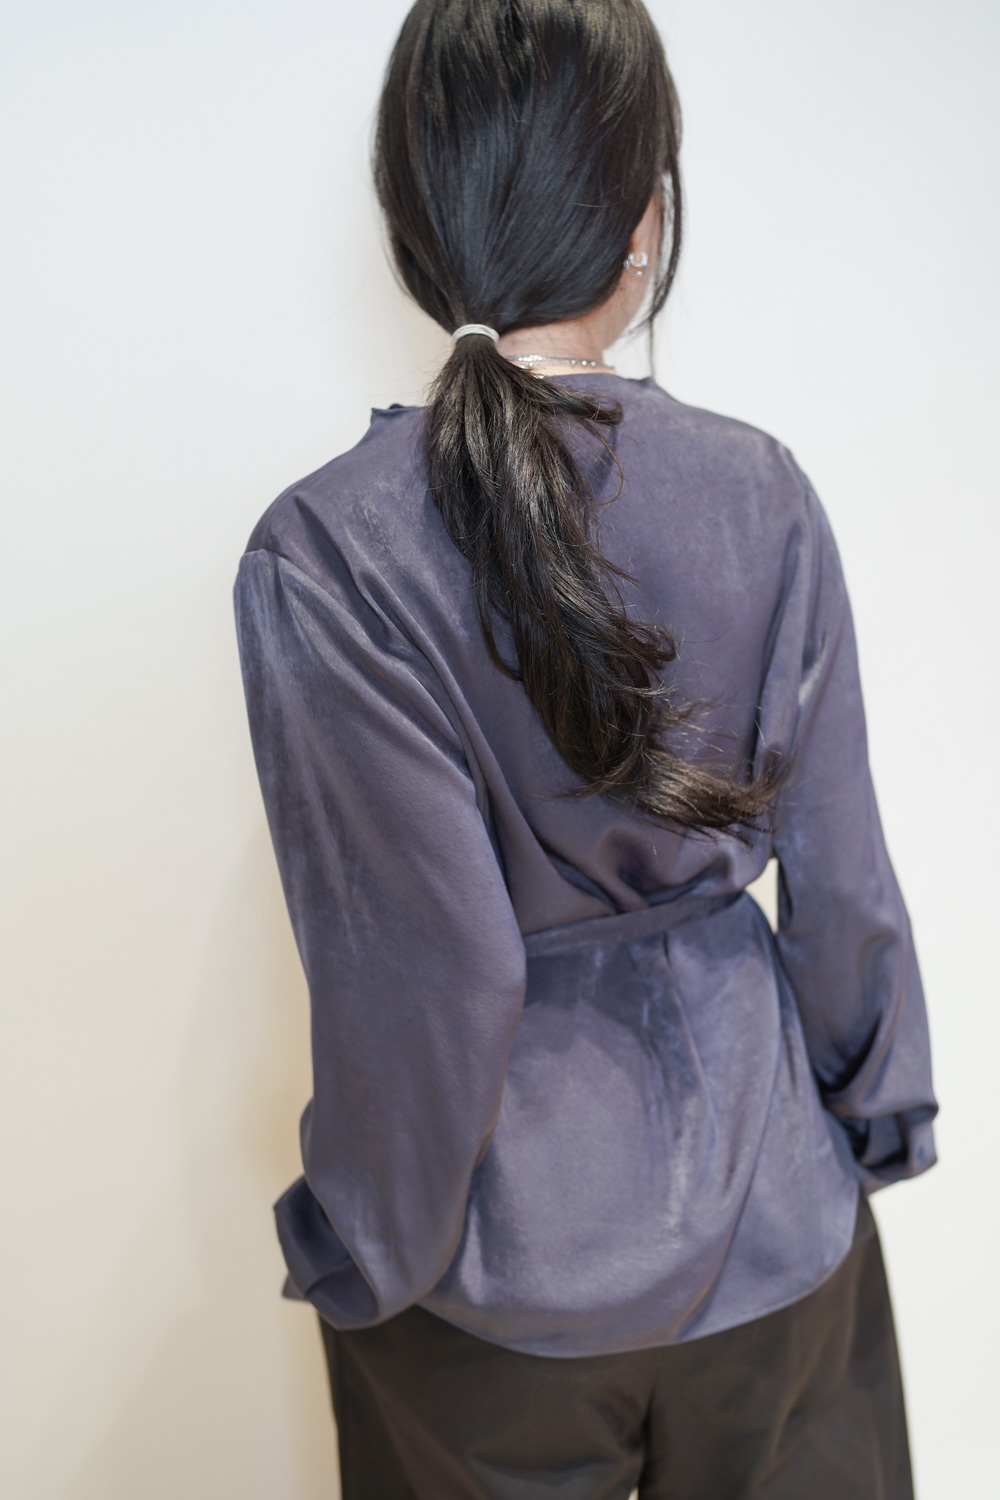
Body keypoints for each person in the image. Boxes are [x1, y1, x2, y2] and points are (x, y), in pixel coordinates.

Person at [233, 0, 939, 1494]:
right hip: (773, 1226)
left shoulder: (330, 549)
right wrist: (875, 1115)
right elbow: (841, 875)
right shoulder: (761, 491)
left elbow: (426, 973)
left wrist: (368, 1239)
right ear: (645, 220)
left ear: (415, 224)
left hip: (492, 1274)